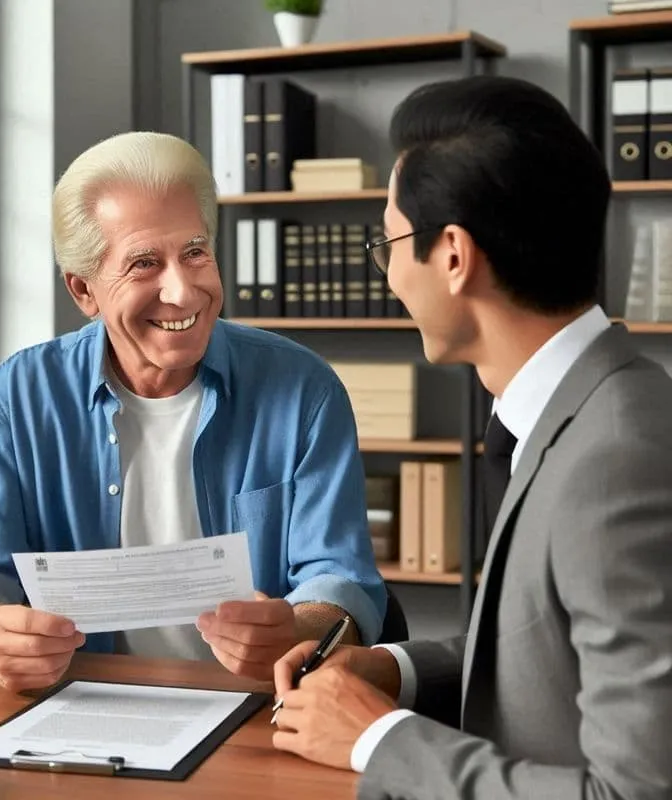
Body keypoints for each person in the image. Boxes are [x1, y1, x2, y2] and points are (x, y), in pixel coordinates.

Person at [271, 75, 672, 799]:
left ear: (453, 255)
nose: (389, 273)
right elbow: (547, 649)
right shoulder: (580, 412)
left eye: (388, 240)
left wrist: (378, 738)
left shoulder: (615, 459)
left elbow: (635, 793)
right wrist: (394, 671)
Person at [0, 131, 386, 692]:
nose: (183, 291)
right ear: (84, 291)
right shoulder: (18, 398)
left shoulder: (305, 389)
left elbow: (342, 584)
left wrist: (296, 627)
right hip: (79, 710)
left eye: (195, 253)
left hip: (259, 710)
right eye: (144, 263)